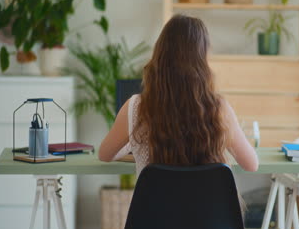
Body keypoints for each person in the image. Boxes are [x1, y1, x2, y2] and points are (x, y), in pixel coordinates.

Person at [99, 14, 258, 175]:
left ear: (160, 55)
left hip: (154, 201)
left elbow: (104, 154)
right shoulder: (218, 107)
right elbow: (252, 164)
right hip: (205, 201)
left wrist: (133, 141)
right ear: (202, 59)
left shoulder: (135, 107)